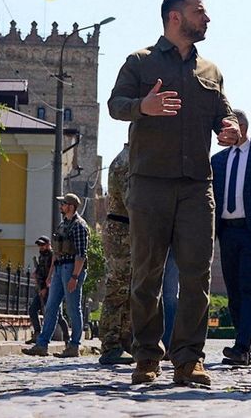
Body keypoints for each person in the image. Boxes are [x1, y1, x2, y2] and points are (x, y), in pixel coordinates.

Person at [107, 0, 239, 386]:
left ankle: (188, 359)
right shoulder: (140, 62)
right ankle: (147, 356)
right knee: (146, 275)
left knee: (198, 276)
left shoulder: (211, 71)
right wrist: (141, 107)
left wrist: (229, 127)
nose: (208, 18)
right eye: (201, 11)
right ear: (175, 17)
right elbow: (115, 104)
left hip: (198, 187)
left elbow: (224, 112)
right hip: (149, 186)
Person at [211, 109, 251, 367]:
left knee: (250, 289)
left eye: (227, 127)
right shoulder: (217, 161)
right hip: (227, 232)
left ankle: (242, 347)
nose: (222, 133)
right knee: (234, 292)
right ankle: (242, 344)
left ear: (242, 127)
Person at [23, 193, 90, 358]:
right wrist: (50, 275)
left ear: (71, 206)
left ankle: (74, 346)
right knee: (51, 307)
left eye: (64, 204)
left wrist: (75, 276)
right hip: (60, 269)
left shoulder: (79, 226)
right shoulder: (63, 225)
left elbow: (81, 254)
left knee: (74, 308)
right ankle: (42, 344)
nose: (61, 206)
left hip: (71, 269)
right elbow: (56, 253)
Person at [99, 144, 135, 365]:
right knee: (118, 289)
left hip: (127, 229)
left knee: (129, 289)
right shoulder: (126, 162)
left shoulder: (130, 158)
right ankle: (111, 344)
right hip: (122, 230)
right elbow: (132, 200)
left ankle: (124, 341)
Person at [27, 235, 70, 344]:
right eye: (39, 245)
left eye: (42, 245)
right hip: (41, 287)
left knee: (57, 315)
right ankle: (37, 333)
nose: (40, 247)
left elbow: (52, 273)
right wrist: (36, 274)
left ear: (48, 245)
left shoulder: (52, 255)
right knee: (32, 310)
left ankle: (66, 337)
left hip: (50, 288)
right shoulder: (41, 256)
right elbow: (41, 271)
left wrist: (46, 288)